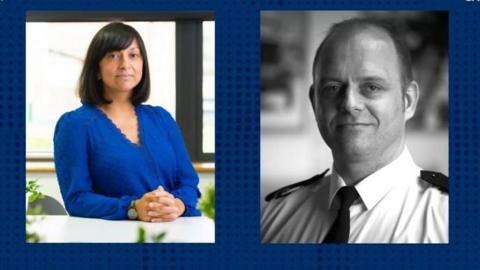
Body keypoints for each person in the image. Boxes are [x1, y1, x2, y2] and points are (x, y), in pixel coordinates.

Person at [261, 17, 448, 243]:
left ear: (408, 101)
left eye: (371, 87)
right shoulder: (274, 216)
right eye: (332, 88)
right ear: (314, 102)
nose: (349, 103)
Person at [54, 22, 201, 222]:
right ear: (96, 69)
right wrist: (132, 208)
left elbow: (188, 182)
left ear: (142, 64)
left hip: (176, 231)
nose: (125, 64)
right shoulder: (75, 125)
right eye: (113, 55)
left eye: (133, 55)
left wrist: (177, 204)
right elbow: (77, 199)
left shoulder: (162, 118)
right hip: (112, 239)